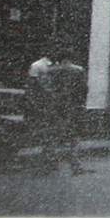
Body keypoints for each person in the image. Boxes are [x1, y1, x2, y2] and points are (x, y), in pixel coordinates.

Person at [40, 48, 91, 176]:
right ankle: (75, 164)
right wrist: (82, 103)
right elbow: (84, 88)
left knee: (53, 133)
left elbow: (45, 87)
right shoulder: (78, 70)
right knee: (74, 136)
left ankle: (50, 162)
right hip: (73, 105)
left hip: (55, 105)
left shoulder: (50, 71)